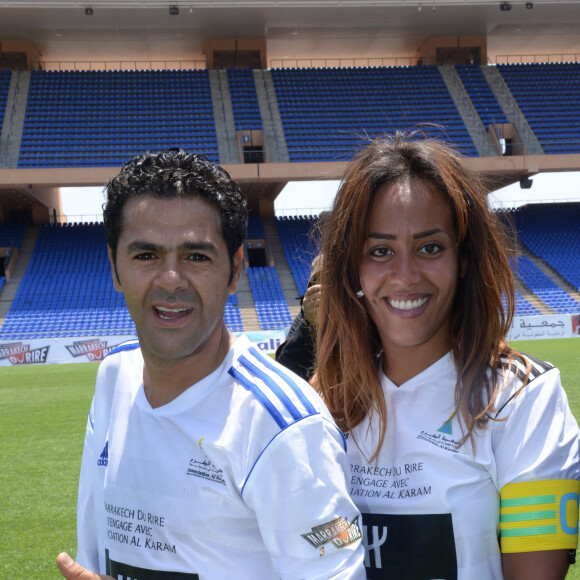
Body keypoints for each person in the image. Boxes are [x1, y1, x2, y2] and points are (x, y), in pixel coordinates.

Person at [57, 149, 365, 580]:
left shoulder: (283, 427)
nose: (170, 280)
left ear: (234, 269)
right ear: (114, 267)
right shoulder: (114, 376)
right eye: (145, 256)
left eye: (196, 257)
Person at [312, 132, 580, 579]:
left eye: (430, 247)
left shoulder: (523, 400)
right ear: (352, 268)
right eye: (380, 251)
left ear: (465, 259)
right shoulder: (319, 402)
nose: (405, 275)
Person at [275, 254, 322, 381]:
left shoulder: (359, 312)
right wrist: (308, 324)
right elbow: (284, 370)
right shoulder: (305, 316)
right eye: (317, 284)